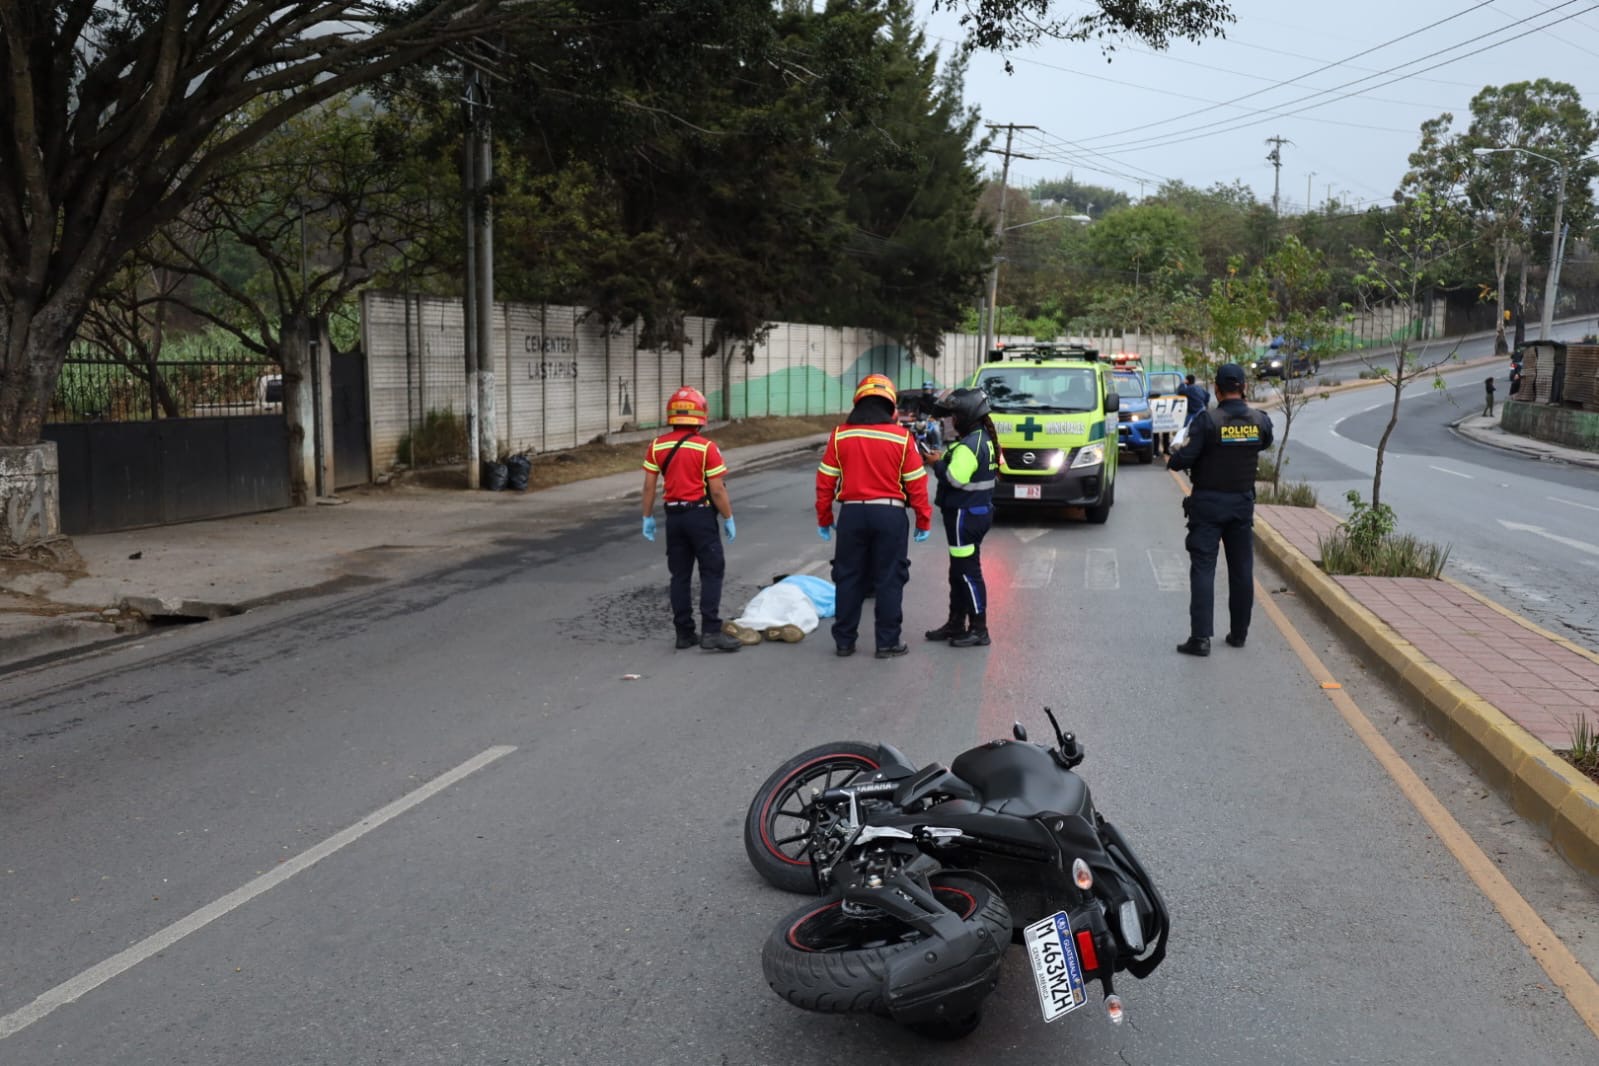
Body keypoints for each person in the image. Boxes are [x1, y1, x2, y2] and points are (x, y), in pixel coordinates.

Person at [815, 373, 933, 658]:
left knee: (848, 576)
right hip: (890, 514)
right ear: (891, 406)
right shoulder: (902, 438)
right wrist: (923, 519)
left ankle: (844, 642)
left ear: (857, 403)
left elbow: (825, 481)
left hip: (852, 514)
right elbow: (916, 483)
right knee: (889, 578)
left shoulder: (840, 435)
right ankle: (887, 642)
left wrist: (824, 517)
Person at [1166, 363, 1274, 657]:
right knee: (1242, 570)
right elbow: (1264, 442)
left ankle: (1200, 639)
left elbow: (1183, 458)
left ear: (1216, 389)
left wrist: (1174, 455)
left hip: (1208, 506)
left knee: (1203, 568)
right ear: (1244, 388)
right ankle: (1239, 634)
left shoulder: (1207, 421)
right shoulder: (1260, 421)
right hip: (1241, 505)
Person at [640, 386, 741, 652]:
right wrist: (728, 517)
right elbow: (717, 490)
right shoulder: (707, 448)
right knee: (711, 570)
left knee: (680, 576)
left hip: (674, 517)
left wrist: (647, 517)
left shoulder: (657, 445)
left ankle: (684, 633)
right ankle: (710, 631)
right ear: (701, 416)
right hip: (700, 516)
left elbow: (649, 487)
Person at [923, 388, 998, 648]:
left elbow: (955, 477)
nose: (951, 420)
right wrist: (942, 457)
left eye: (954, 415)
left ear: (966, 415)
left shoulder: (970, 445)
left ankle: (979, 629)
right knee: (958, 572)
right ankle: (956, 623)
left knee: (967, 573)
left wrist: (936, 464)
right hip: (973, 514)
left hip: (964, 517)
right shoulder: (981, 439)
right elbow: (964, 465)